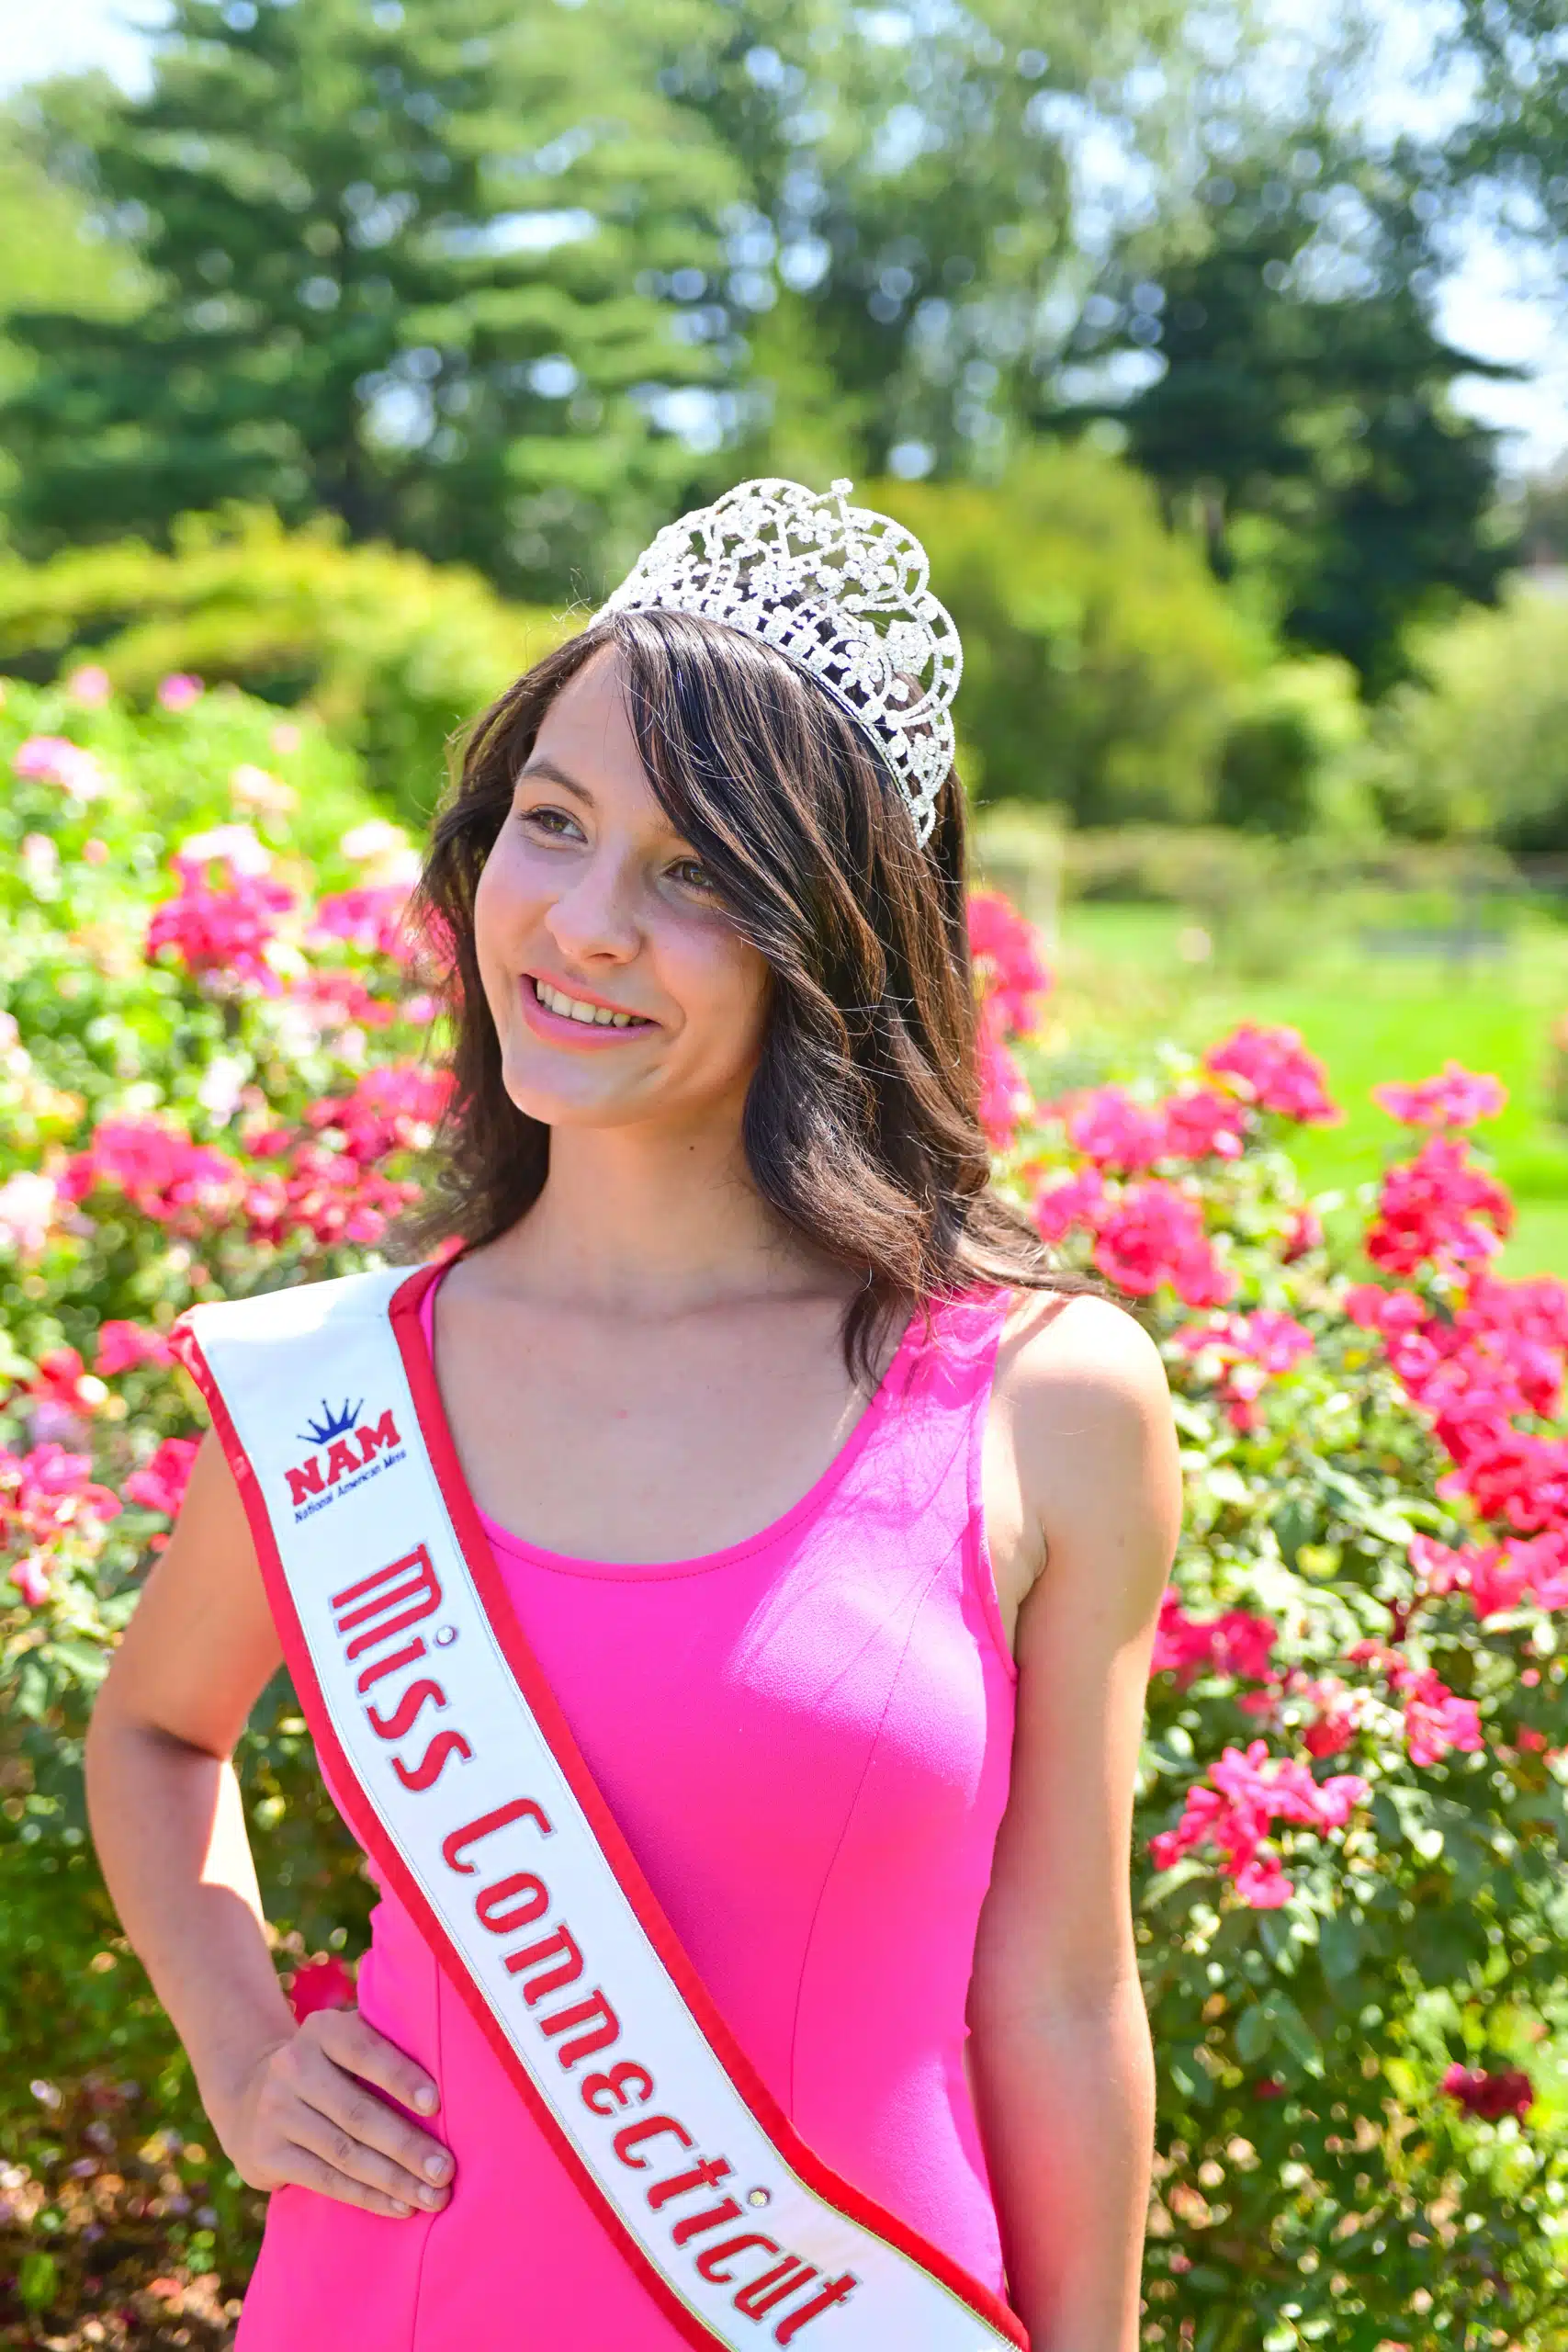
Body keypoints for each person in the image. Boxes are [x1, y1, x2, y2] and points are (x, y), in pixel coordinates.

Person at [85, 477, 1183, 2352]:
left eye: (695, 873)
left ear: (832, 934)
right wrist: (241, 2045)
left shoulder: (1042, 1398)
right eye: (552, 823)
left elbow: (1063, 1993)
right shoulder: (343, 1397)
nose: (583, 923)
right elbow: (154, 1729)